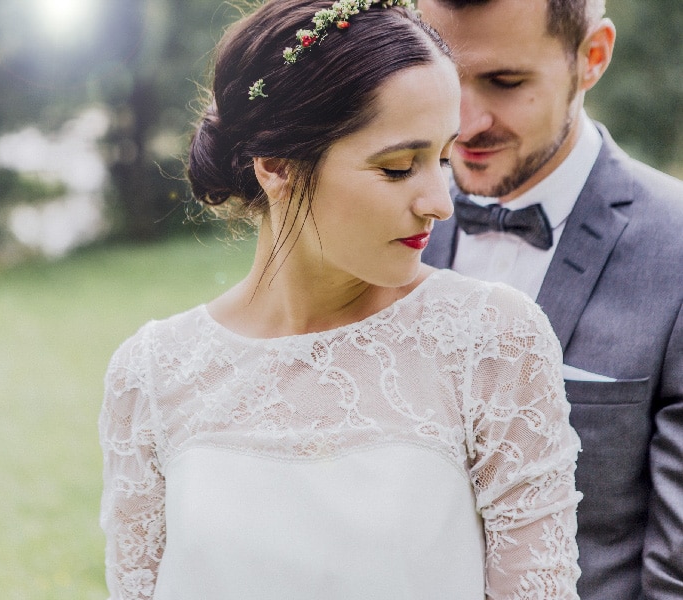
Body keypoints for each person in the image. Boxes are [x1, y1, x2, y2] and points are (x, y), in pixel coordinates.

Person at [100, 1, 583, 598]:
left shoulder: (492, 342)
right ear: (276, 166)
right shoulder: (149, 375)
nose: (440, 201)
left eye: (440, 157)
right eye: (399, 167)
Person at [416, 0, 683, 598]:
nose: (464, 121)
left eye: (505, 83)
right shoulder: (381, 226)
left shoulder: (677, 254)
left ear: (593, 57)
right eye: (441, 71)